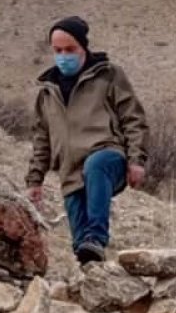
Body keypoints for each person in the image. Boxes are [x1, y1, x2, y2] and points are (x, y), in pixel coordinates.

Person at [25, 16, 149, 265]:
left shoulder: (109, 75)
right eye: (58, 50)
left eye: (70, 50)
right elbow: (42, 140)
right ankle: (95, 284)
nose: (64, 56)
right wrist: (34, 180)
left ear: (83, 47)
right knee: (83, 250)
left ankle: (97, 233)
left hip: (107, 155)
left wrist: (137, 160)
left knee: (96, 167)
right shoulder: (47, 93)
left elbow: (133, 118)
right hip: (70, 174)